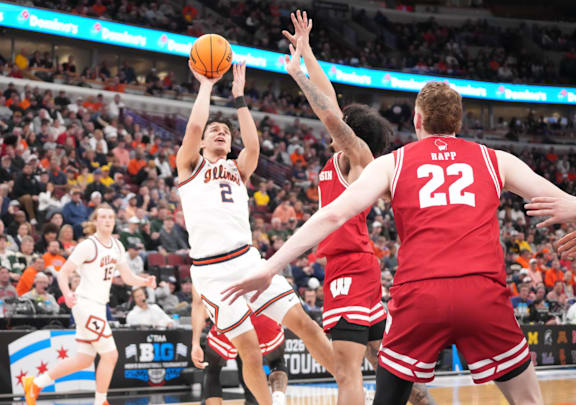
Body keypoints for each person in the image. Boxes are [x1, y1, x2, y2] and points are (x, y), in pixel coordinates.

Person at [223, 73, 566, 403]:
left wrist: (270, 267)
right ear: (458, 122)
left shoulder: (392, 164)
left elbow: (332, 214)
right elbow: (562, 202)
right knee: (528, 399)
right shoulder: (496, 160)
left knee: (381, 391)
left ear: (417, 120)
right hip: (483, 293)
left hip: (419, 296)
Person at [280, 11, 434, 404]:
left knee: (345, 372)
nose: (335, 126)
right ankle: (421, 399)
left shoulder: (360, 157)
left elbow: (329, 113)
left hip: (350, 266)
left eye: (343, 125)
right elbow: (330, 99)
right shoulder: (343, 160)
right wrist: (308, 52)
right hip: (350, 265)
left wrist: (298, 76)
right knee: (383, 362)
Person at [177, 59, 340, 404]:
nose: (221, 133)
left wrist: (239, 99)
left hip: (248, 260)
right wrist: (206, 86)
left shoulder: (239, 169)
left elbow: (253, 146)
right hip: (212, 271)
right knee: (248, 352)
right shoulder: (189, 166)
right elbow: (192, 129)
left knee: (307, 326)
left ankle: (347, 383)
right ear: (203, 143)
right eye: (214, 131)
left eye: (226, 132)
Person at [23, 206, 156, 405]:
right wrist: (67, 294)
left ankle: (36, 383)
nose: (108, 220)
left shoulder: (118, 246)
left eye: (111, 216)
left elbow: (127, 277)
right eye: (103, 217)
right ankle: (101, 401)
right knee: (111, 355)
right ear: (96, 221)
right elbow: (64, 272)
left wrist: (144, 282)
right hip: (85, 304)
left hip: (99, 307)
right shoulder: (88, 245)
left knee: (84, 359)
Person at [191, 285, 288, 405]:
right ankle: (277, 398)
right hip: (261, 313)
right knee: (275, 362)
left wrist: (195, 342)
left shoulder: (199, 270)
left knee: (212, 370)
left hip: (230, 318)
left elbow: (199, 307)